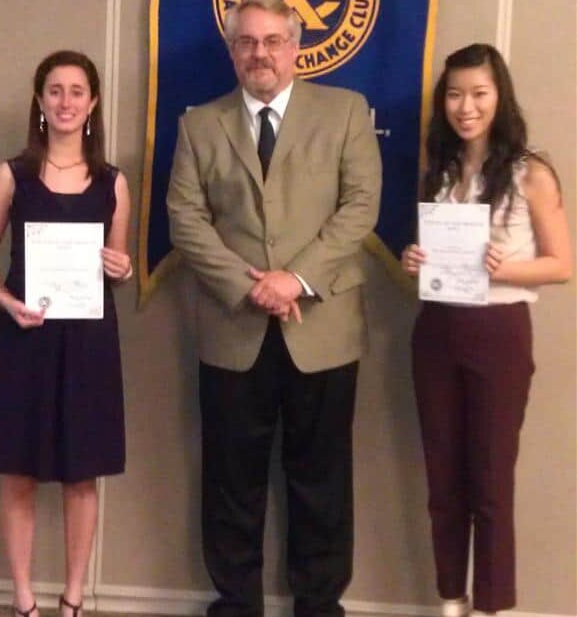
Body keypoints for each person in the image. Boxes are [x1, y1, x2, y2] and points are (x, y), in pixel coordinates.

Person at [166, 2, 381, 616]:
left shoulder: (343, 113)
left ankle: (319, 605)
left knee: (322, 482)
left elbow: (361, 206)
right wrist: (251, 284)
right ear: (231, 49)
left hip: (324, 329)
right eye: (246, 43)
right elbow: (186, 218)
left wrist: (297, 279)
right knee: (231, 483)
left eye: (272, 41)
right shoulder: (199, 125)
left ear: (295, 45)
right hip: (233, 327)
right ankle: (236, 604)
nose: (259, 53)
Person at [401, 44, 572, 616]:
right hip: (437, 331)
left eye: (478, 93)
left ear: (499, 97)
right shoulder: (442, 170)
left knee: (490, 484)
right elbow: (437, 262)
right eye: (454, 94)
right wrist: (415, 262)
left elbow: (563, 264)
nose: (465, 106)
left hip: (499, 333)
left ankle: (493, 608)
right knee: (442, 480)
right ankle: (451, 598)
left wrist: (508, 267)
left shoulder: (531, 171)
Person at [0, 50, 132, 617]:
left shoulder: (114, 183)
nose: (66, 101)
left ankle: (71, 600)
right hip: (24, 338)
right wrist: (5, 300)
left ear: (92, 104)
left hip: (87, 344)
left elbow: (118, 261)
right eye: (56, 90)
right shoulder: (10, 175)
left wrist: (125, 268)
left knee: (80, 473)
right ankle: (23, 599)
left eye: (77, 91)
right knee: (17, 471)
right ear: (40, 102)